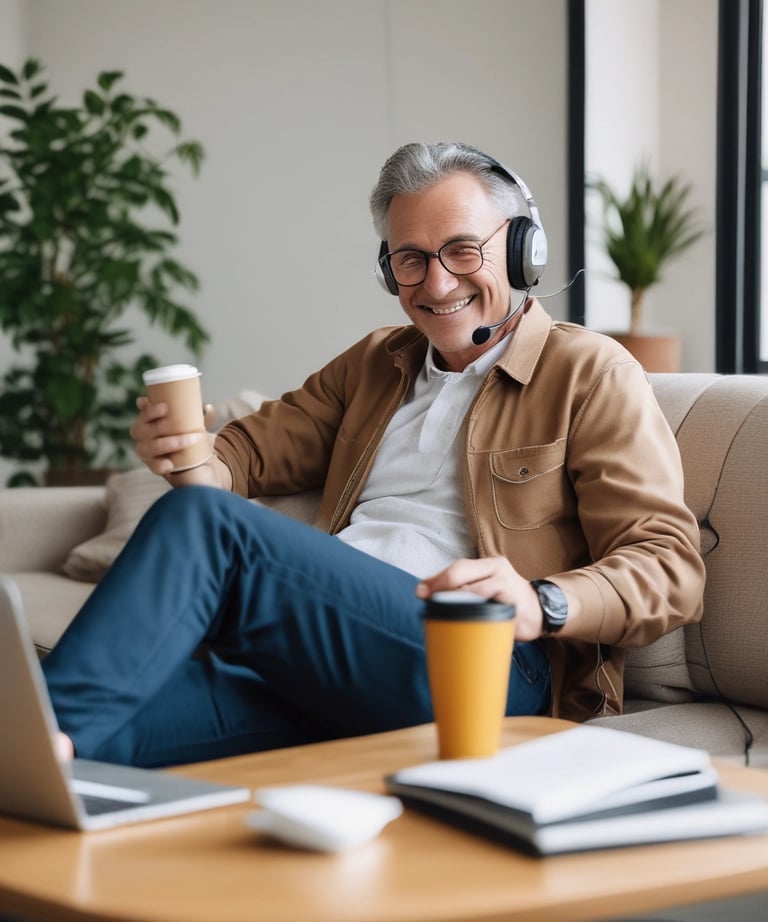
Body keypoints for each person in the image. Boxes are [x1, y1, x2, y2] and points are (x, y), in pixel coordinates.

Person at [44, 142, 705, 768]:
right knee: (99, 731)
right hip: (333, 660)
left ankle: (50, 730)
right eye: (410, 258)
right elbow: (244, 455)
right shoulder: (375, 364)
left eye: (462, 250)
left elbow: (671, 568)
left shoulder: (587, 372)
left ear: (523, 250)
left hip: (487, 665)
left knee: (202, 523)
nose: (436, 282)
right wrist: (189, 454)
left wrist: (540, 601)